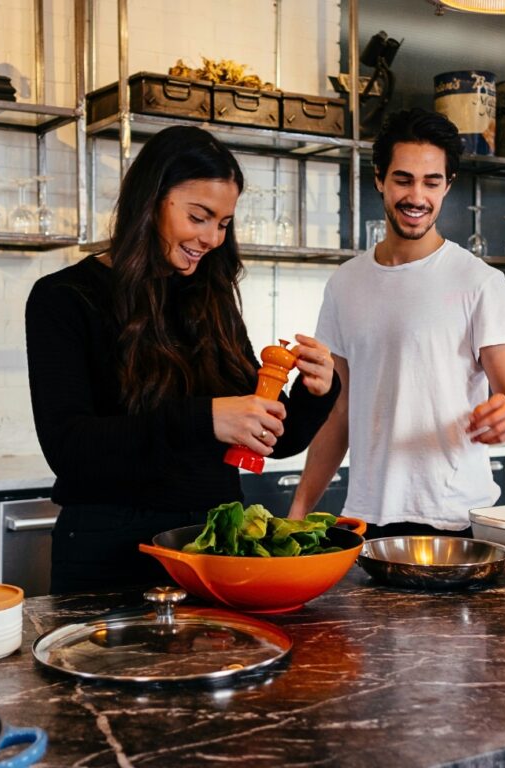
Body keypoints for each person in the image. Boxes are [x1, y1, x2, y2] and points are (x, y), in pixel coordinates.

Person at [25, 125, 339, 594]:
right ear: (151, 200)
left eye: (224, 223)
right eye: (199, 216)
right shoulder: (64, 298)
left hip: (214, 550)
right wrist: (205, 419)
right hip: (108, 558)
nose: (212, 238)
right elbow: (69, 450)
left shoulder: (212, 298)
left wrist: (316, 391)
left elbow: (271, 441)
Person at [287, 107, 505, 537]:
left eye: (431, 182)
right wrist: (298, 511)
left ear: (448, 185)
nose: (416, 196)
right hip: (367, 519)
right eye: (403, 179)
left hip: (455, 520)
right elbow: (339, 411)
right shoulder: (345, 283)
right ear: (379, 179)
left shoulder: (480, 282)